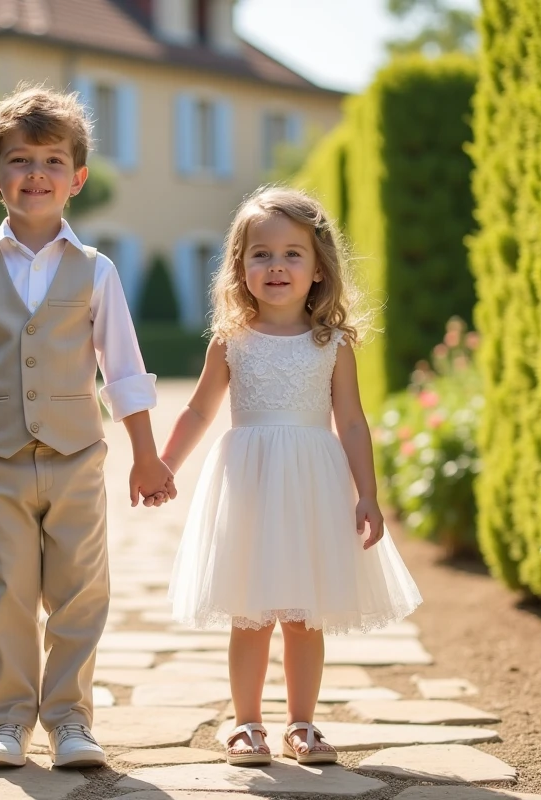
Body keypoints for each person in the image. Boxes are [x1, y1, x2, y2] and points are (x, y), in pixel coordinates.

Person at [0, 84, 176, 769]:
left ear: (78, 178)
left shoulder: (96, 272)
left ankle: (70, 720)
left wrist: (146, 457)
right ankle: (8, 721)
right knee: (5, 593)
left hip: (76, 458)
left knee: (78, 593)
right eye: (18, 160)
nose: (36, 173)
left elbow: (124, 370)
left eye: (52, 160)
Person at [160, 186, 422, 766]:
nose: (276, 265)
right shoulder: (232, 341)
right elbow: (200, 409)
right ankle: (246, 723)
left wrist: (368, 495)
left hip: (313, 486)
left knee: (305, 615)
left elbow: (351, 422)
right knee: (250, 612)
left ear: (319, 267)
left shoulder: (332, 343)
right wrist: (165, 465)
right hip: (249, 484)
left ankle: (301, 724)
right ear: (240, 266)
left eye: (291, 253)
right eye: (261, 254)